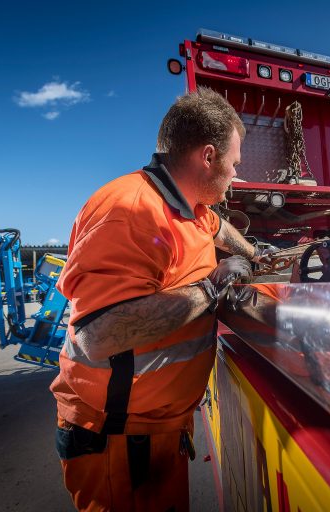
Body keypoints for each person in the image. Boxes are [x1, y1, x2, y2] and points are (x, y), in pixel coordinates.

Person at [50, 87, 266, 511]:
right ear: (207, 157)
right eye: (234, 165)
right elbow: (100, 333)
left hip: (157, 430)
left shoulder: (191, 206)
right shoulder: (131, 210)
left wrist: (255, 256)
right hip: (116, 439)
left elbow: (218, 229)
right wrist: (212, 285)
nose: (236, 176)